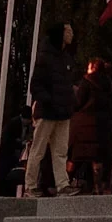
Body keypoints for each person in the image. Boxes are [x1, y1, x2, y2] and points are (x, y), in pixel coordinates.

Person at [25, 23, 79, 198]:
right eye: (68, 31)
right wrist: (49, 100)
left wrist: (70, 100)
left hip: (63, 112)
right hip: (48, 112)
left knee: (61, 151)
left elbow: (67, 84)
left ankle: (62, 184)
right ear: (60, 34)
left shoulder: (66, 58)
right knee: (38, 150)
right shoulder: (45, 57)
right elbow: (36, 85)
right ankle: (30, 186)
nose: (71, 34)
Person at [69, 58, 111, 195]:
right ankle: (98, 185)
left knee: (75, 156)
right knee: (98, 157)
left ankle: (66, 181)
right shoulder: (108, 83)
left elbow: (79, 101)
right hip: (102, 124)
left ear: (92, 67)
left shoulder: (86, 82)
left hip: (85, 125)